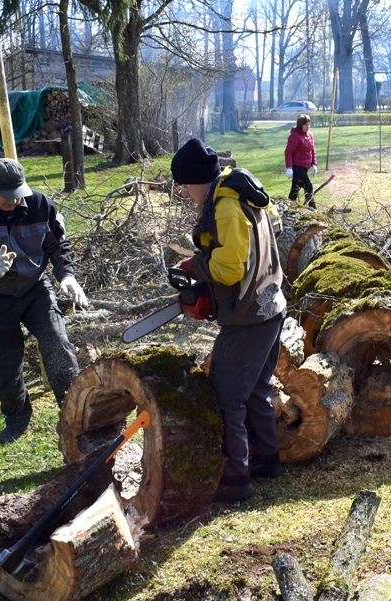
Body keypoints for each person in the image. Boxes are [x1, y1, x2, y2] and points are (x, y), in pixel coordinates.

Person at [171, 138, 288, 502]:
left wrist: (195, 264)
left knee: (226, 394)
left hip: (249, 315)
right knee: (255, 389)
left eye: (186, 186)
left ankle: (235, 479)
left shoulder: (224, 204)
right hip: (271, 303)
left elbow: (229, 267)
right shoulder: (242, 186)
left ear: (197, 180)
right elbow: (276, 226)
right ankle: (266, 460)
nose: (186, 194)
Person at [0, 158, 88, 444]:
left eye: (18, 193)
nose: (14, 201)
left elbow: (58, 245)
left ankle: (77, 416)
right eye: (7, 195)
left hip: (35, 289)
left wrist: (67, 276)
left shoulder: (39, 205)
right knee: (3, 366)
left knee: (58, 345)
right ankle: (17, 420)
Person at [284, 114, 318, 209]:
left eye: (308, 124)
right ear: (300, 125)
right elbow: (288, 152)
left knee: (295, 190)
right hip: (297, 166)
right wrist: (289, 168)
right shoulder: (294, 137)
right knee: (309, 187)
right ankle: (313, 209)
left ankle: (288, 208)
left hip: (305, 166)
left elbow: (312, 150)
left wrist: (314, 164)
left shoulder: (310, 135)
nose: (308, 127)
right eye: (305, 125)